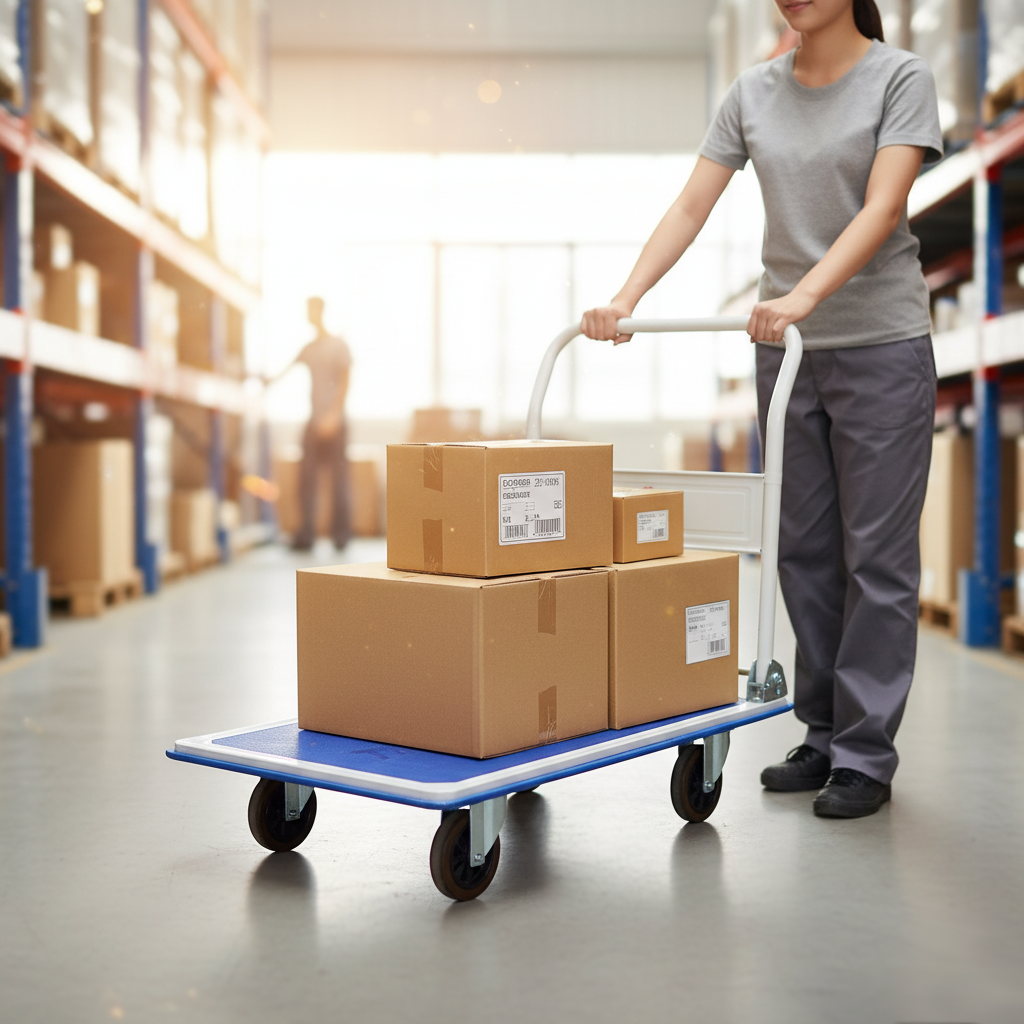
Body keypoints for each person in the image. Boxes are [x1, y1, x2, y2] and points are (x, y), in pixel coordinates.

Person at [582, 0, 941, 818]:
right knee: (802, 548)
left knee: (875, 561)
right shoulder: (752, 92)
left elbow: (883, 208)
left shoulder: (900, 78)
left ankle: (864, 754)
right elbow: (689, 207)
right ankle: (820, 733)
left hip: (879, 344)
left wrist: (805, 293)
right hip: (787, 353)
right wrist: (624, 300)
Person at [274, 297, 353, 551]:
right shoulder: (309, 348)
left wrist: (334, 415)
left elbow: (346, 379)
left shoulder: (338, 345)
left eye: (310, 309)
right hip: (314, 419)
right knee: (306, 478)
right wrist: (258, 379)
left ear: (320, 311)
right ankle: (306, 535)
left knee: (339, 479)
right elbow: (283, 372)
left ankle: (341, 535)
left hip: (335, 421)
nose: (308, 314)